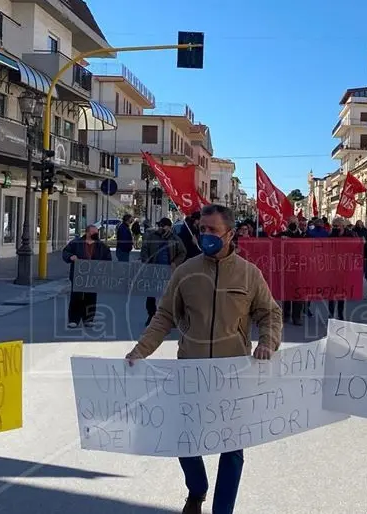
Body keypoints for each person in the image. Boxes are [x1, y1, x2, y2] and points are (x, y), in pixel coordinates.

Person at [125, 204, 283, 514]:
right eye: (202, 230)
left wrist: (268, 342)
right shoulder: (185, 272)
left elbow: (269, 313)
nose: (205, 235)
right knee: (184, 440)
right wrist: (140, 350)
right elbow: (165, 316)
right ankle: (197, 490)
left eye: (213, 230)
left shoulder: (249, 274)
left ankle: (222, 510)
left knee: (232, 450)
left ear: (230, 234)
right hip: (191, 371)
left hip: (233, 374)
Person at [62, 224, 113, 328]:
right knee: (76, 296)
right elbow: (65, 252)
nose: (95, 234)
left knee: (91, 296)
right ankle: (74, 319)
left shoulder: (101, 246)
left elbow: (108, 258)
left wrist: (104, 266)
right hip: (78, 275)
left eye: (96, 232)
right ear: (87, 232)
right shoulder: (76, 243)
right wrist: (71, 257)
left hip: (93, 275)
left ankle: (88, 319)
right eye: (93, 232)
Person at [141, 218, 187, 325]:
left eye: (163, 226)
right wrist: (147, 261)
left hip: (169, 271)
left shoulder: (175, 239)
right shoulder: (152, 237)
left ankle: (170, 317)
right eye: (160, 226)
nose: (161, 228)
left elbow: (183, 252)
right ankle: (151, 315)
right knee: (151, 294)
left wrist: (175, 262)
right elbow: (144, 249)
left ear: (169, 227)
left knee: (169, 295)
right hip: (154, 270)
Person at [326, 217, 357, 321]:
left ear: (343, 226)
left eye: (337, 226)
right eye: (334, 226)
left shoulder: (350, 235)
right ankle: (331, 313)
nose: (335, 228)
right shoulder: (331, 235)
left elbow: (355, 248)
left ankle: (340, 313)